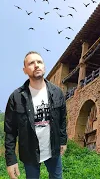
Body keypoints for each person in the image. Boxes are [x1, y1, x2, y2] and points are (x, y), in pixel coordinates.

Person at [4, 51, 67, 179]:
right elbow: (10, 131)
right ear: (25, 70)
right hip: (29, 152)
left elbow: (62, 119)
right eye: (31, 63)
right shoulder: (16, 97)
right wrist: (11, 160)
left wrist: (63, 140)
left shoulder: (57, 92)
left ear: (44, 66)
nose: (36, 65)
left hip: (53, 149)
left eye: (39, 62)